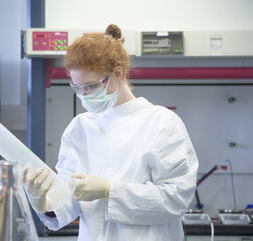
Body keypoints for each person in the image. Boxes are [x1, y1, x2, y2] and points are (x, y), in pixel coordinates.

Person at [23, 24, 199, 241]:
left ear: (117, 74)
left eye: (90, 86)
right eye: (77, 88)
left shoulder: (162, 123)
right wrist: (43, 202)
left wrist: (109, 190)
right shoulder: (80, 128)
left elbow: (176, 199)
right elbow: (68, 203)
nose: (84, 95)